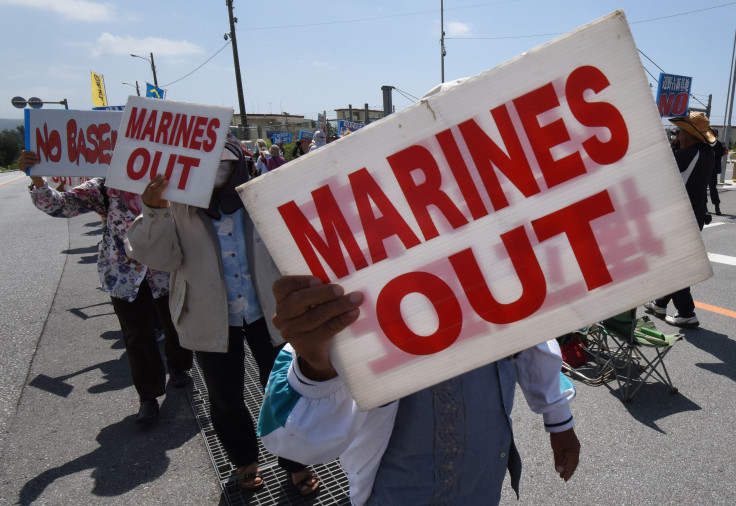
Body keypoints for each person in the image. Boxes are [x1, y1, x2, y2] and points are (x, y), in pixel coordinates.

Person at [258, 276, 580, 505]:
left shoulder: (489, 237)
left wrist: (559, 417)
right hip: (395, 490)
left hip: (485, 473)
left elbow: (530, 326)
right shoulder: (353, 274)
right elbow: (290, 441)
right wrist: (316, 362)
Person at [125, 134, 320, 496]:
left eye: (225, 164)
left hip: (271, 312)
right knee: (225, 397)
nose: (216, 172)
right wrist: (154, 211)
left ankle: (296, 461)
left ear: (239, 164)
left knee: (284, 388)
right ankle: (244, 460)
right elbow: (159, 258)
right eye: (206, 166)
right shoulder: (177, 205)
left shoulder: (262, 196)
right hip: (208, 315)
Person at [18, 151, 192, 423]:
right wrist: (38, 179)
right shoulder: (104, 187)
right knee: (137, 335)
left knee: (176, 324)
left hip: (165, 270)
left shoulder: (173, 183)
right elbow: (61, 205)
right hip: (123, 273)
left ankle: (179, 367)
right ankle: (148, 396)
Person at [645, 111, 715, 327]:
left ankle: (686, 312)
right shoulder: (706, 152)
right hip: (695, 215)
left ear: (692, 135)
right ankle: (660, 302)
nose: (678, 136)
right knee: (673, 262)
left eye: (681, 132)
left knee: (676, 267)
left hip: (683, 219)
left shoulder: (688, 155)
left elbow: (661, 178)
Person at [707, 128, 728, 216]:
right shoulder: (705, 144)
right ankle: (704, 207)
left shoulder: (719, 145)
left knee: (713, 189)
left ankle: (717, 207)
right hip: (704, 169)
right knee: (702, 189)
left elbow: (721, 152)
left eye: (714, 135)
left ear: (717, 136)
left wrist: (713, 144)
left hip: (713, 170)